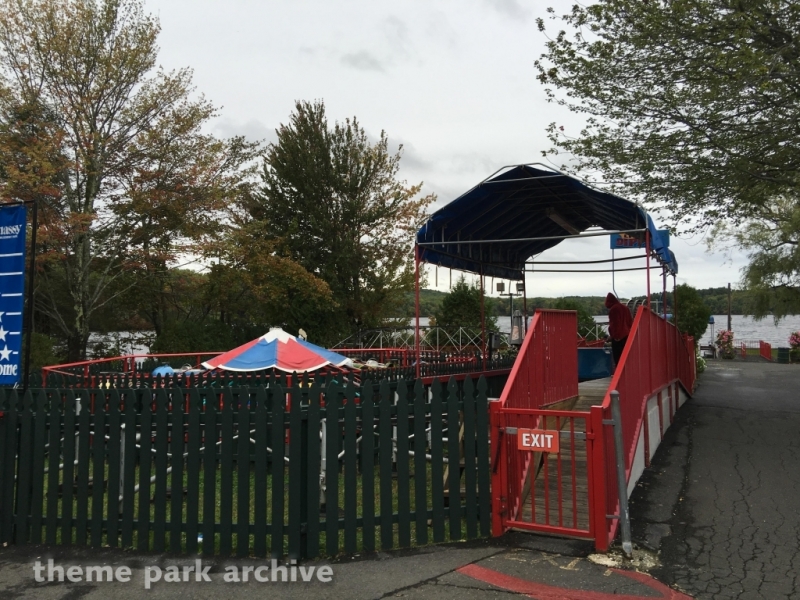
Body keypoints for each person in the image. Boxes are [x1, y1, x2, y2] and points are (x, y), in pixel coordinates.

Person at [605, 292, 633, 366]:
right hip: (627, 335)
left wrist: (614, 336)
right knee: (626, 358)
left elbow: (615, 324)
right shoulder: (625, 308)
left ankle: (620, 376)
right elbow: (630, 322)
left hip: (618, 338)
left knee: (618, 359)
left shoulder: (613, 309)